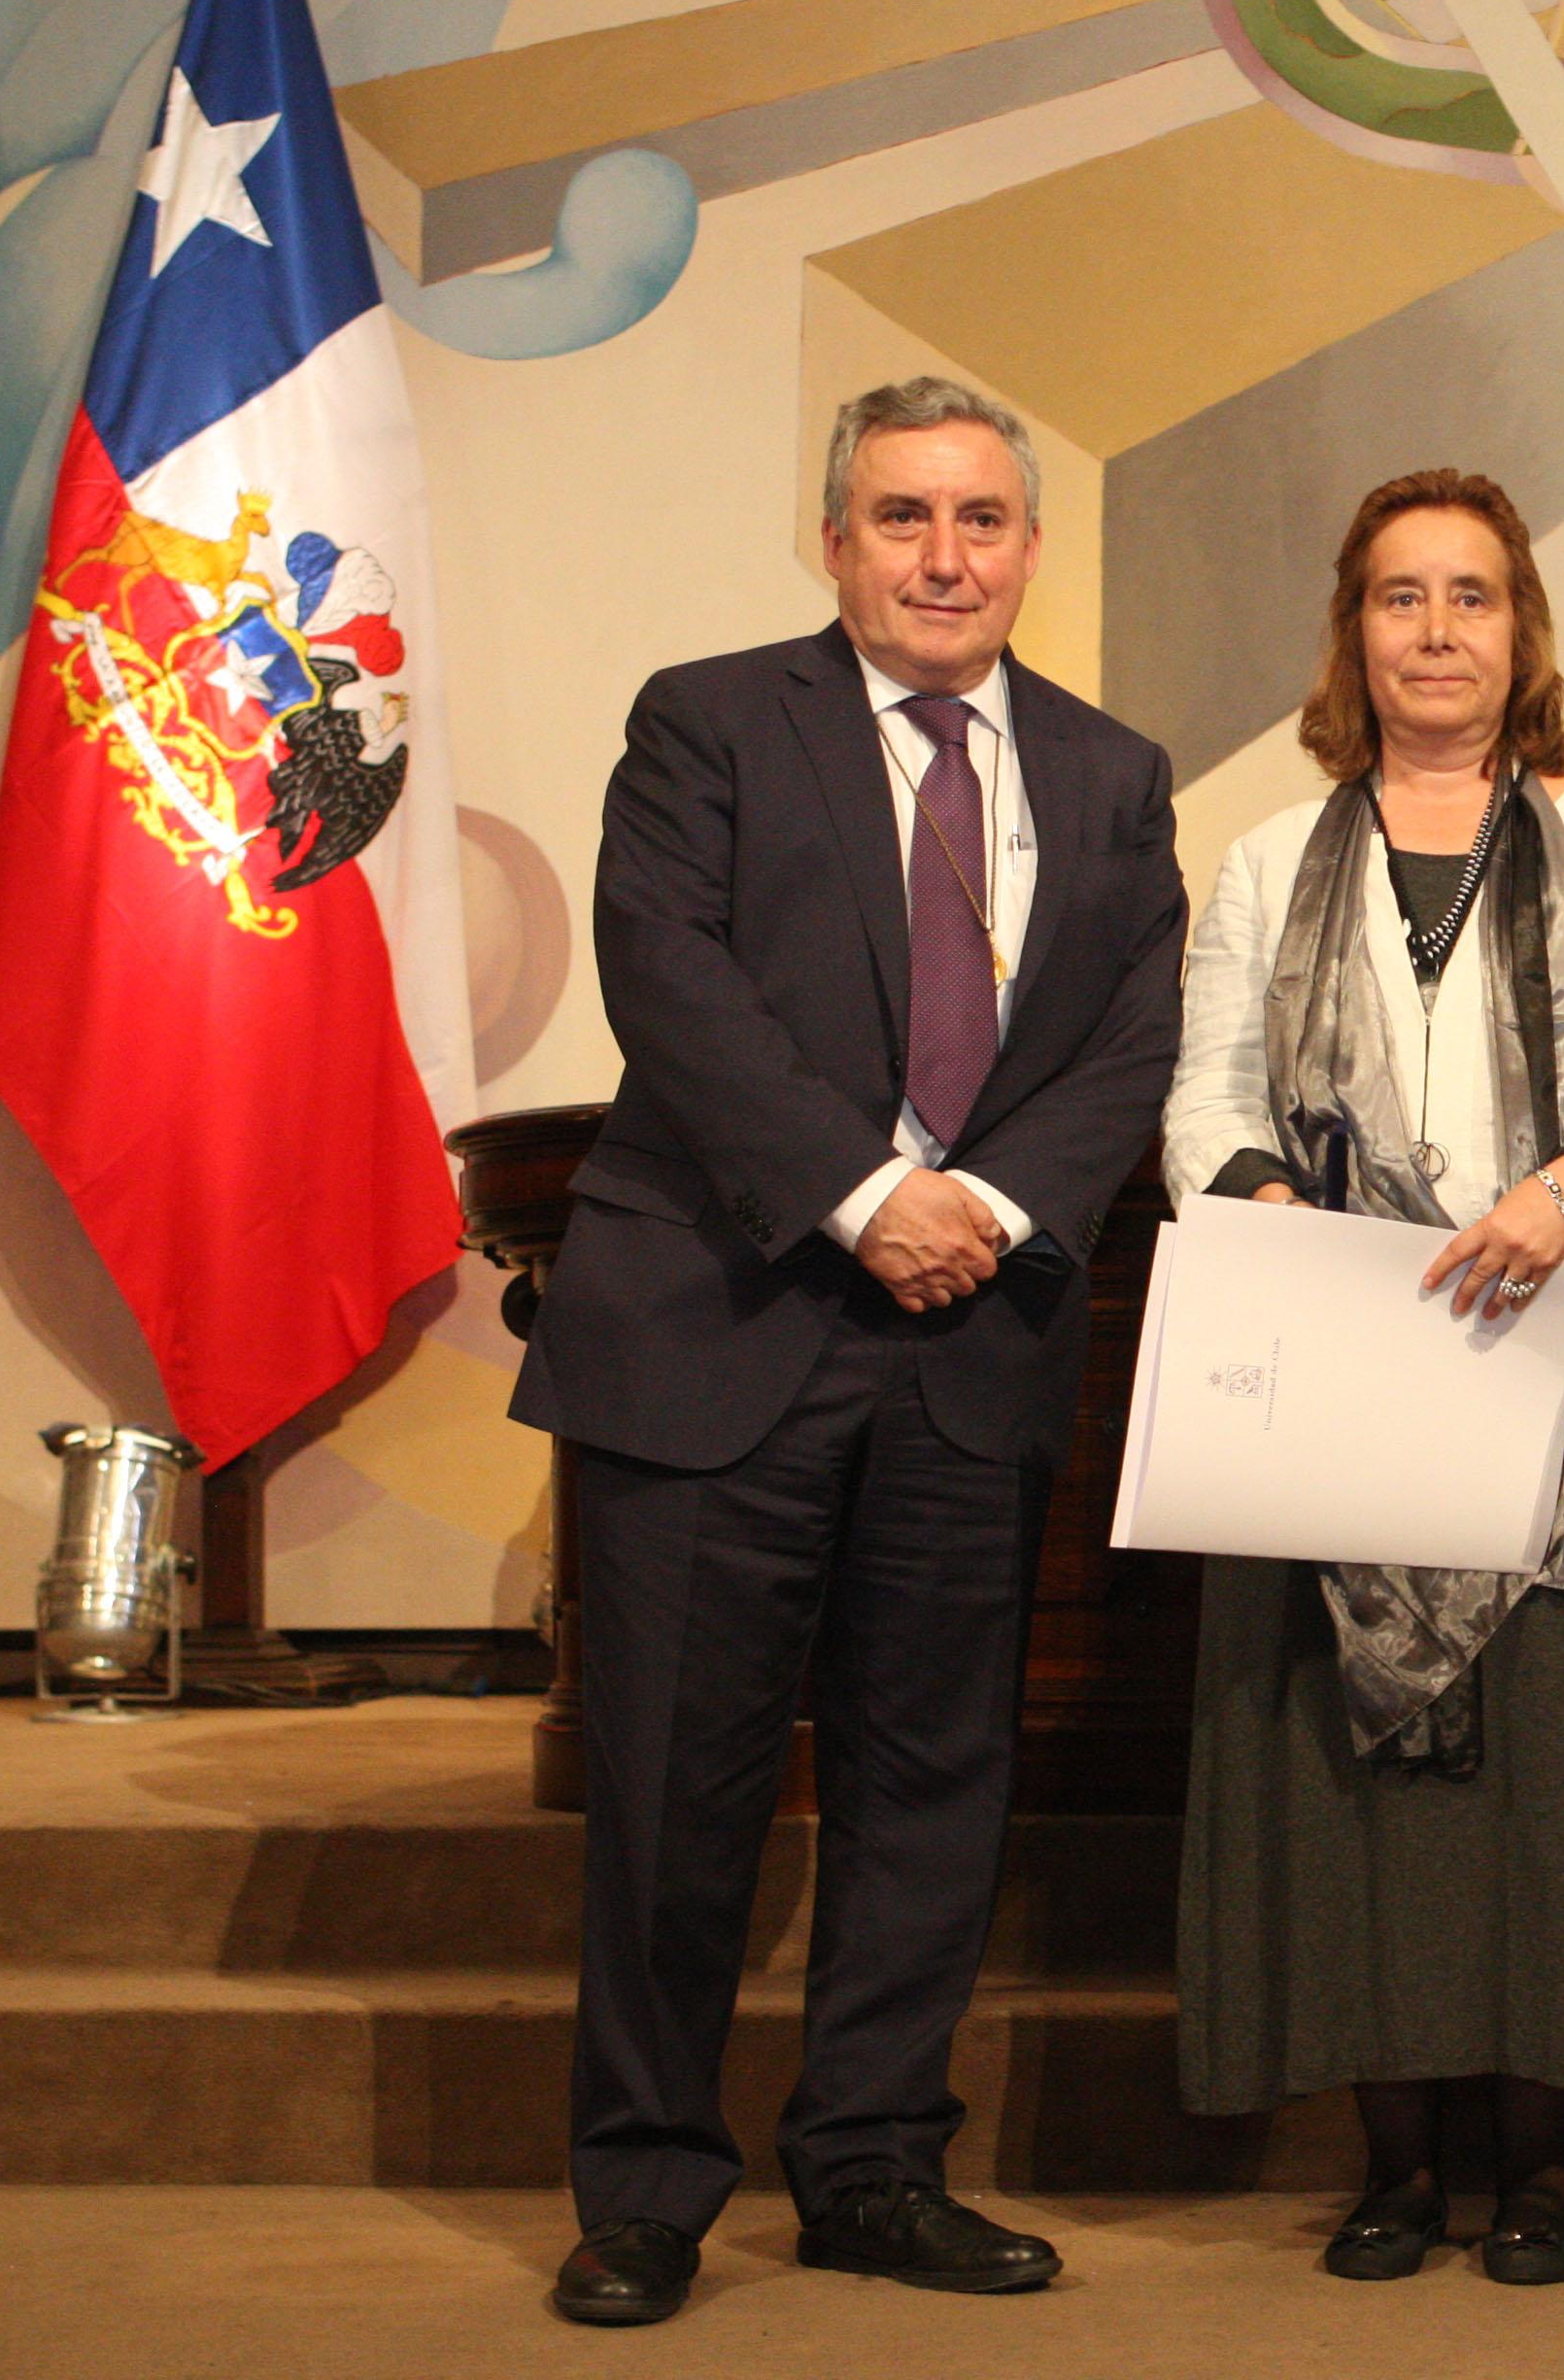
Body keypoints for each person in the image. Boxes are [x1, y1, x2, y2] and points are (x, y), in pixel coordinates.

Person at [511, 378, 1185, 2327]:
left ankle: (878, 2167)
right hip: (725, 1324)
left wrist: (982, 1213)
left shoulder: (1111, 769)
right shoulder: (710, 719)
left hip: (972, 1343)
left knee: (930, 1778)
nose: (945, 554)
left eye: (980, 518)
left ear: (1031, 550)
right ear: (835, 541)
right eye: (902, 516)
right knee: (673, 1787)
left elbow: (1132, 1033)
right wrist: (868, 1194)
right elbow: (672, 977)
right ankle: (642, 2190)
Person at [1163, 469, 1564, 2289]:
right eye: (1400, 597)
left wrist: (1560, 1194)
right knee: (1358, 1785)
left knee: (1550, 1777)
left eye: (1469, 596)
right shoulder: (1261, 859)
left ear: (1519, 628)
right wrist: (1267, 1210)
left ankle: (1539, 2170)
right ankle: (1392, 2163)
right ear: (1355, 630)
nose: (1436, 631)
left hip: (1553, 1356)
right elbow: (1204, 1097)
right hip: (1337, 1369)